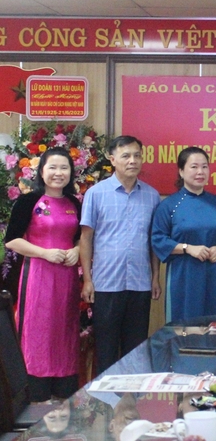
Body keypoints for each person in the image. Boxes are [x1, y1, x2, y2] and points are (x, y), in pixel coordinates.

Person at [4, 147, 82, 402]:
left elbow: (85, 239)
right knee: (38, 330)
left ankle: (64, 386)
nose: (59, 173)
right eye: (53, 167)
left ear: (71, 172)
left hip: (67, 279)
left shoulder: (74, 203)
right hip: (37, 276)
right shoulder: (28, 201)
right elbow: (12, 240)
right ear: (41, 171)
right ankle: (34, 389)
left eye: (64, 168)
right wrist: (44, 253)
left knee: (65, 329)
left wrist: (77, 250)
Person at [80, 135, 161, 375]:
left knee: (135, 351)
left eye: (137, 155)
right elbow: (86, 239)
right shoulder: (96, 193)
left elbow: (153, 242)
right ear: (112, 158)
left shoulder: (152, 195)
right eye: (126, 155)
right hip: (106, 283)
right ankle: (105, 406)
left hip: (139, 283)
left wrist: (155, 276)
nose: (132, 161)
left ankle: (131, 407)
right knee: (105, 350)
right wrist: (87, 279)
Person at [152, 147, 216, 322]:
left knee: (214, 325)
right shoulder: (169, 205)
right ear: (181, 171)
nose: (200, 172)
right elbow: (158, 239)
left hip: (213, 274)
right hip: (183, 275)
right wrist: (187, 248)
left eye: (204, 167)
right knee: (183, 327)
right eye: (194, 167)